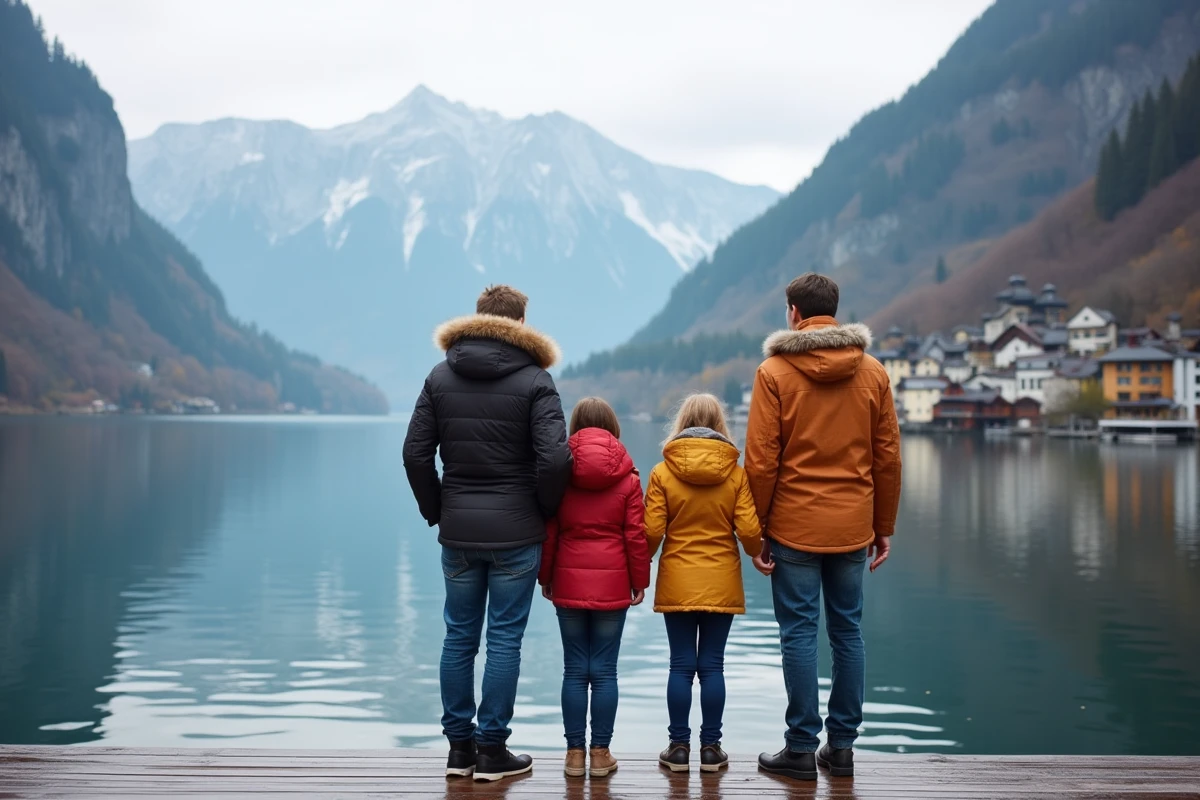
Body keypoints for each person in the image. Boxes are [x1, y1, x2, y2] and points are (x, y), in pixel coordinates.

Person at [403, 285, 572, 782]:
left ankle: (459, 751)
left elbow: (415, 455)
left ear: (478, 319)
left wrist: (439, 510)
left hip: (458, 533)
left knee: (458, 637)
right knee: (503, 641)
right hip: (516, 534)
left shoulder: (439, 376)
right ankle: (492, 751)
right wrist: (542, 508)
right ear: (521, 324)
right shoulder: (537, 380)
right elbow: (556, 458)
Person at [746, 273, 902, 781]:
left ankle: (798, 748)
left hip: (792, 525)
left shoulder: (773, 372)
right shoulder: (874, 372)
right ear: (834, 310)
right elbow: (888, 458)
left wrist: (758, 527)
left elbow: (762, 462)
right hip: (854, 525)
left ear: (793, 311)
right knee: (848, 631)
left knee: (797, 633)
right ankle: (841, 749)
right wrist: (884, 526)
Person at [643, 393, 763, 774]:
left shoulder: (663, 472)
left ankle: (678, 749)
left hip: (678, 577)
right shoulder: (736, 473)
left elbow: (651, 530)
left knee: (680, 665)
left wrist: (639, 563)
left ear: (681, 423)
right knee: (712, 666)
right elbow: (747, 528)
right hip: (721, 579)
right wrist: (757, 552)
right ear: (720, 424)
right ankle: (711, 749)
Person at [538, 397, 650, 779]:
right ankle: (600, 755)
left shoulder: (560, 474)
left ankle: (573, 756)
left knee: (574, 669)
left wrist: (545, 576)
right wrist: (640, 581)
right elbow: (636, 535)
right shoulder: (628, 476)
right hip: (613, 582)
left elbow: (550, 531)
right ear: (613, 428)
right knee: (603, 671)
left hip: (568, 579)